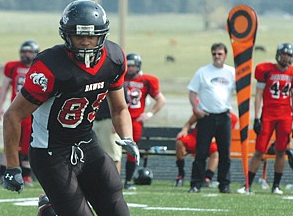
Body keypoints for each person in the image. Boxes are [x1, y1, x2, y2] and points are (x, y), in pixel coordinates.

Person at [2, 0, 141, 216]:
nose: (86, 41)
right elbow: (13, 115)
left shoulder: (114, 57)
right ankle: (50, 212)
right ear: (67, 35)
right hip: (51, 152)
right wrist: (13, 166)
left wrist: (127, 137)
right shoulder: (50, 66)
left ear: (102, 35)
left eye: (91, 35)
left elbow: (119, 107)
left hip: (86, 143)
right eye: (79, 35)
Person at [244, 42, 293, 194]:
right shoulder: (265, 71)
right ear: (278, 55)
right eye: (283, 54)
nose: (285, 58)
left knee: (281, 151)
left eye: (288, 55)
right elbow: (258, 96)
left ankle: (276, 186)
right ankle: (248, 185)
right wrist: (256, 118)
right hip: (268, 115)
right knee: (259, 150)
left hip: (285, 116)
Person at [187, 42, 236, 194]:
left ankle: (224, 184)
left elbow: (242, 91)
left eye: (220, 54)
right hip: (206, 116)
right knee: (201, 152)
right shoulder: (203, 72)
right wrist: (196, 109)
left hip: (224, 116)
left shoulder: (232, 72)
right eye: (214, 53)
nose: (217, 56)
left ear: (225, 55)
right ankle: (196, 183)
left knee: (224, 153)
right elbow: (192, 92)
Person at [0, 40, 39, 186]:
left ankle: (26, 176)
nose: (26, 55)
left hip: (33, 113)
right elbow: (4, 87)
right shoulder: (13, 67)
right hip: (16, 112)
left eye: (29, 52)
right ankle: (2, 175)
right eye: (24, 51)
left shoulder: (40, 68)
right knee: (10, 143)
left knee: (27, 147)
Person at [122, 53, 166, 190]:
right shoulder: (119, 79)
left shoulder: (146, 80)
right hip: (117, 118)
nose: (130, 69)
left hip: (135, 120)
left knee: (131, 151)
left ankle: (128, 180)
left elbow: (161, 100)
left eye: (133, 66)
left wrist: (149, 114)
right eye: (128, 65)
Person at [175, 111, 239, 188]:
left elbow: (226, 134)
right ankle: (181, 173)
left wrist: (215, 138)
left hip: (212, 141)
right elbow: (189, 122)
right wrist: (184, 130)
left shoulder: (231, 117)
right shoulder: (204, 110)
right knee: (180, 141)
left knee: (216, 151)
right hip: (197, 138)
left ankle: (207, 177)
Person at [92, 99, 123, 173]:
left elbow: (122, 105)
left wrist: (117, 122)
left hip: (109, 121)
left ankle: (115, 182)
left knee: (113, 155)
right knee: (94, 156)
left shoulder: (116, 87)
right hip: (93, 120)